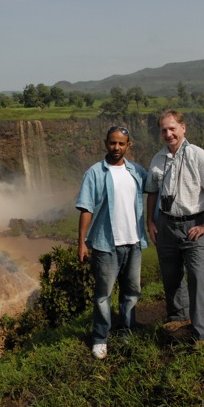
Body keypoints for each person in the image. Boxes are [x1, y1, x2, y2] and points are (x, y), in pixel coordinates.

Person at [145, 110, 204, 346]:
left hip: (194, 225)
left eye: (172, 128)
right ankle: (179, 317)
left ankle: (201, 335)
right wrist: (150, 221)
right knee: (171, 275)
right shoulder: (158, 159)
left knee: (197, 278)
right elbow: (151, 192)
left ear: (183, 128)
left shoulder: (197, 155)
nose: (168, 134)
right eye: (163, 130)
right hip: (166, 224)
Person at [76, 125, 148, 359]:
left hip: (133, 242)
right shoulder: (95, 173)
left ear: (129, 146)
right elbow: (86, 208)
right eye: (112, 143)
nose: (116, 147)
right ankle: (100, 338)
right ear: (105, 143)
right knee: (103, 294)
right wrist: (82, 243)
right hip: (106, 244)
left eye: (121, 143)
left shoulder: (136, 171)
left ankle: (126, 330)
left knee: (132, 290)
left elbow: (156, 187)